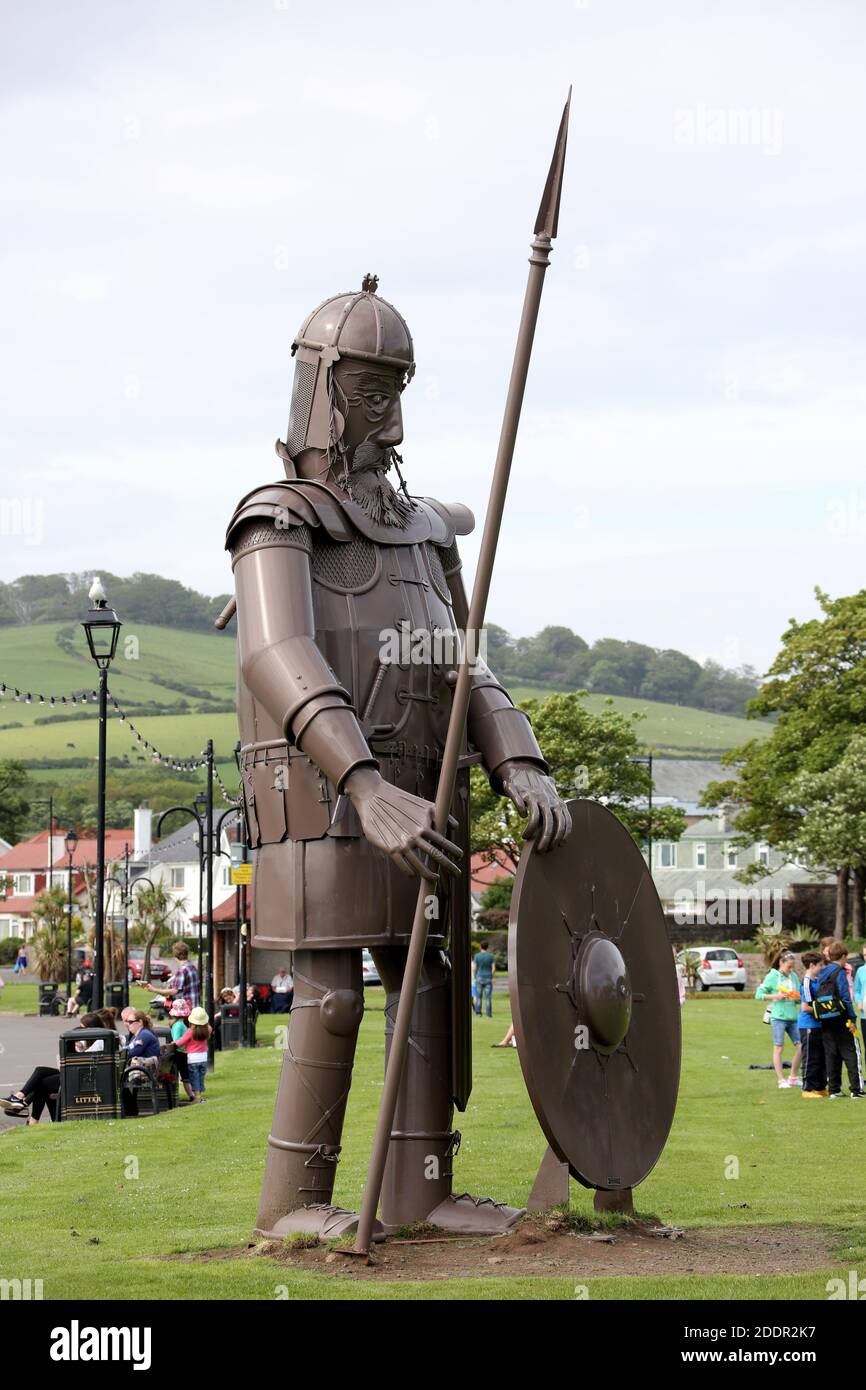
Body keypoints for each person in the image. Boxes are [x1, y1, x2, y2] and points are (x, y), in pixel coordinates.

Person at [0, 1012, 110, 1125]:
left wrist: (78, 1050)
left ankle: (23, 1105)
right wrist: (79, 1048)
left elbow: (84, 1061)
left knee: (43, 1083)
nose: (79, 1030)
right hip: (77, 1074)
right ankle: (20, 1099)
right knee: (40, 1070)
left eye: (82, 1028)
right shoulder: (91, 1040)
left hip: (83, 1079)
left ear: (90, 1028)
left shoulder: (100, 1042)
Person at [813, 942, 864, 1099]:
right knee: (851, 1052)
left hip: (825, 1017)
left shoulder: (822, 972)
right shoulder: (839, 972)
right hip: (841, 1018)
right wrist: (852, 1018)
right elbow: (845, 996)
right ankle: (857, 1089)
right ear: (843, 956)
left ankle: (834, 1089)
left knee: (831, 1053)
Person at [755, 950, 802, 1088]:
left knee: (802, 1047)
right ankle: (781, 1080)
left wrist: (796, 996)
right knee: (779, 1048)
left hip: (793, 1017)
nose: (791, 969)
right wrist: (777, 996)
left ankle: (793, 1077)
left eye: (793, 966)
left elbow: (799, 997)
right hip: (778, 1017)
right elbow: (758, 995)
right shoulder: (772, 976)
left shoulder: (793, 976)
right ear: (781, 963)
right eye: (789, 966)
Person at [798, 952, 828, 1098]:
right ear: (811, 965)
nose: (822, 968)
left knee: (822, 1057)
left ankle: (820, 1087)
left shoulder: (816, 980)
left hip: (820, 1025)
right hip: (808, 1025)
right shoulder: (807, 982)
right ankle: (807, 1089)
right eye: (820, 965)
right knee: (811, 1057)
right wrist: (826, 1011)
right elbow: (806, 1007)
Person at [141, 940, 200, 1008]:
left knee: (156, 1005)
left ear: (175, 955)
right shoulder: (192, 967)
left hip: (187, 1010)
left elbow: (173, 991)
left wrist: (153, 989)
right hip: (196, 1009)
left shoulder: (182, 970)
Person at [174, 1007, 211, 1103]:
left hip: (193, 1058)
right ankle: (199, 1095)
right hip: (203, 1057)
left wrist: (174, 1043)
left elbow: (181, 1042)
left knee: (194, 1078)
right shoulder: (208, 1029)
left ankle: (197, 1097)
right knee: (200, 1077)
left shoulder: (190, 1032)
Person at [168, 998, 195, 1101]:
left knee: (186, 1075)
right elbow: (176, 1040)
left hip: (184, 1052)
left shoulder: (180, 1024)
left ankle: (192, 1093)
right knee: (185, 1075)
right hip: (181, 1053)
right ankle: (191, 1095)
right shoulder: (179, 1025)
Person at [472, 941, 496, 1019]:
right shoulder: (490, 956)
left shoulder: (477, 956)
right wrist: (492, 976)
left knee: (479, 997)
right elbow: (493, 968)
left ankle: (479, 1013)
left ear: (480, 947)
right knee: (488, 997)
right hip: (488, 977)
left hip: (479, 977)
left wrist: (475, 976)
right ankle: (488, 1014)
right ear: (487, 947)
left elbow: (474, 968)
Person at [855, 954, 866, 1057]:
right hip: (865, 1016)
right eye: (865, 954)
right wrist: (859, 1001)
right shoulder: (860, 971)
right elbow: (857, 990)